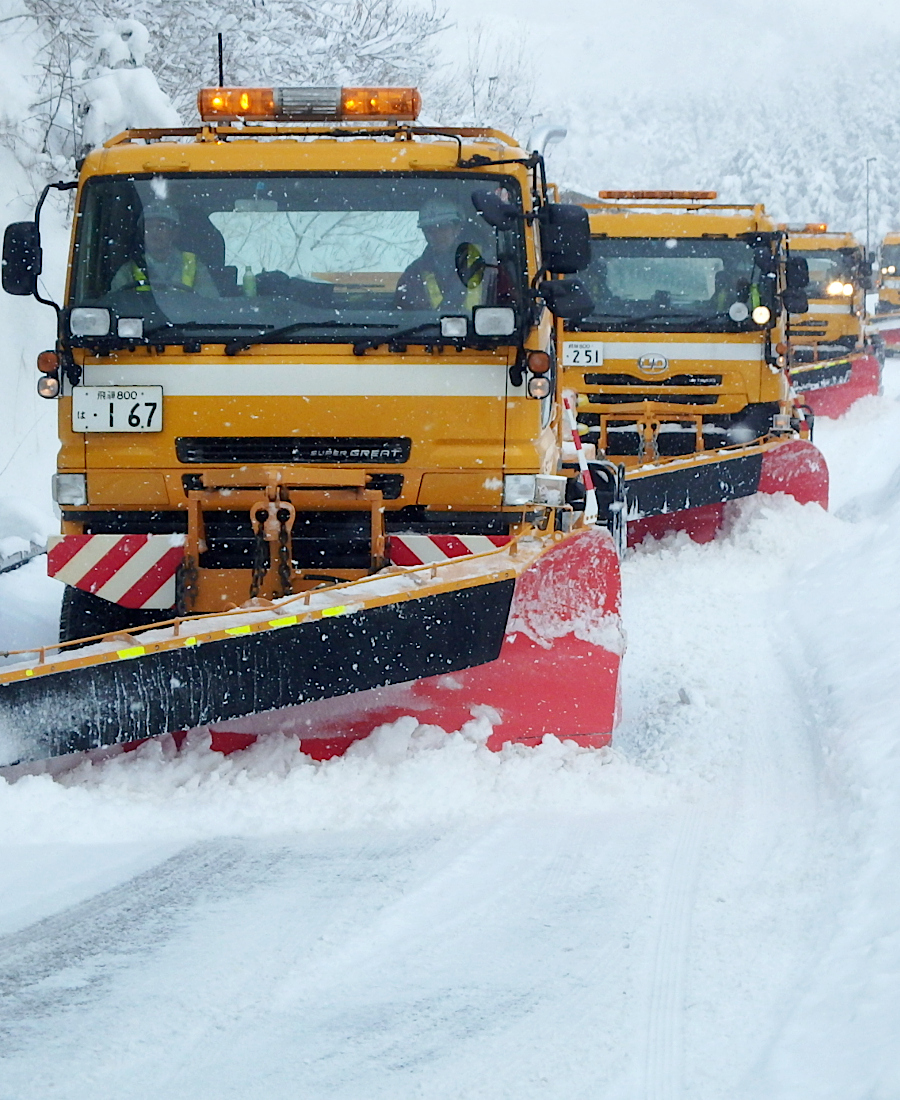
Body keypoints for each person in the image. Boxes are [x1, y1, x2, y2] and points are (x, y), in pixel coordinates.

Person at [395, 198, 487, 311]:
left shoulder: (488, 266)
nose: (436, 235)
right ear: (424, 233)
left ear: (457, 229)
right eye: (429, 230)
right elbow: (403, 317)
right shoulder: (412, 275)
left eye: (443, 227)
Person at [110, 203, 219, 297]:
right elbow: (117, 304)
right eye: (148, 228)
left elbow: (209, 304)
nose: (154, 233)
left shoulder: (194, 266)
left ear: (175, 232)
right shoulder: (128, 271)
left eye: (161, 227)